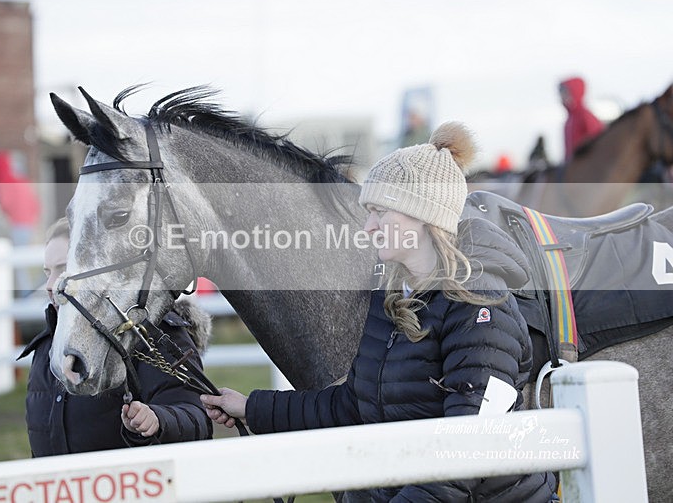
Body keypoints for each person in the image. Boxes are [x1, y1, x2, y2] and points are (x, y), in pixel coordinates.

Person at [201, 122, 557, 501]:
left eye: (380, 212)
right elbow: (352, 405)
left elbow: (468, 452)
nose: (368, 227)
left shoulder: (481, 308)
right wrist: (252, 407)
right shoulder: (391, 299)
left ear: (423, 215)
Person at [19, 217, 213, 456]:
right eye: (48, 272)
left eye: (63, 269)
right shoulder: (46, 346)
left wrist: (157, 420)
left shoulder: (149, 331)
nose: (50, 284)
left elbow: (196, 419)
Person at [0, 151, 41, 295]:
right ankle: (27, 292)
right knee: (22, 262)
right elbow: (36, 204)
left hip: (16, 226)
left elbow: (4, 205)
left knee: (17, 264)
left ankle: (25, 294)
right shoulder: (22, 181)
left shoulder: (4, 182)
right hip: (28, 225)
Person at [559, 77, 604, 162]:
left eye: (566, 93)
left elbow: (599, 140)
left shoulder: (585, 115)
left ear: (575, 92)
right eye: (561, 94)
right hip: (572, 166)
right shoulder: (569, 121)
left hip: (587, 165)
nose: (562, 97)